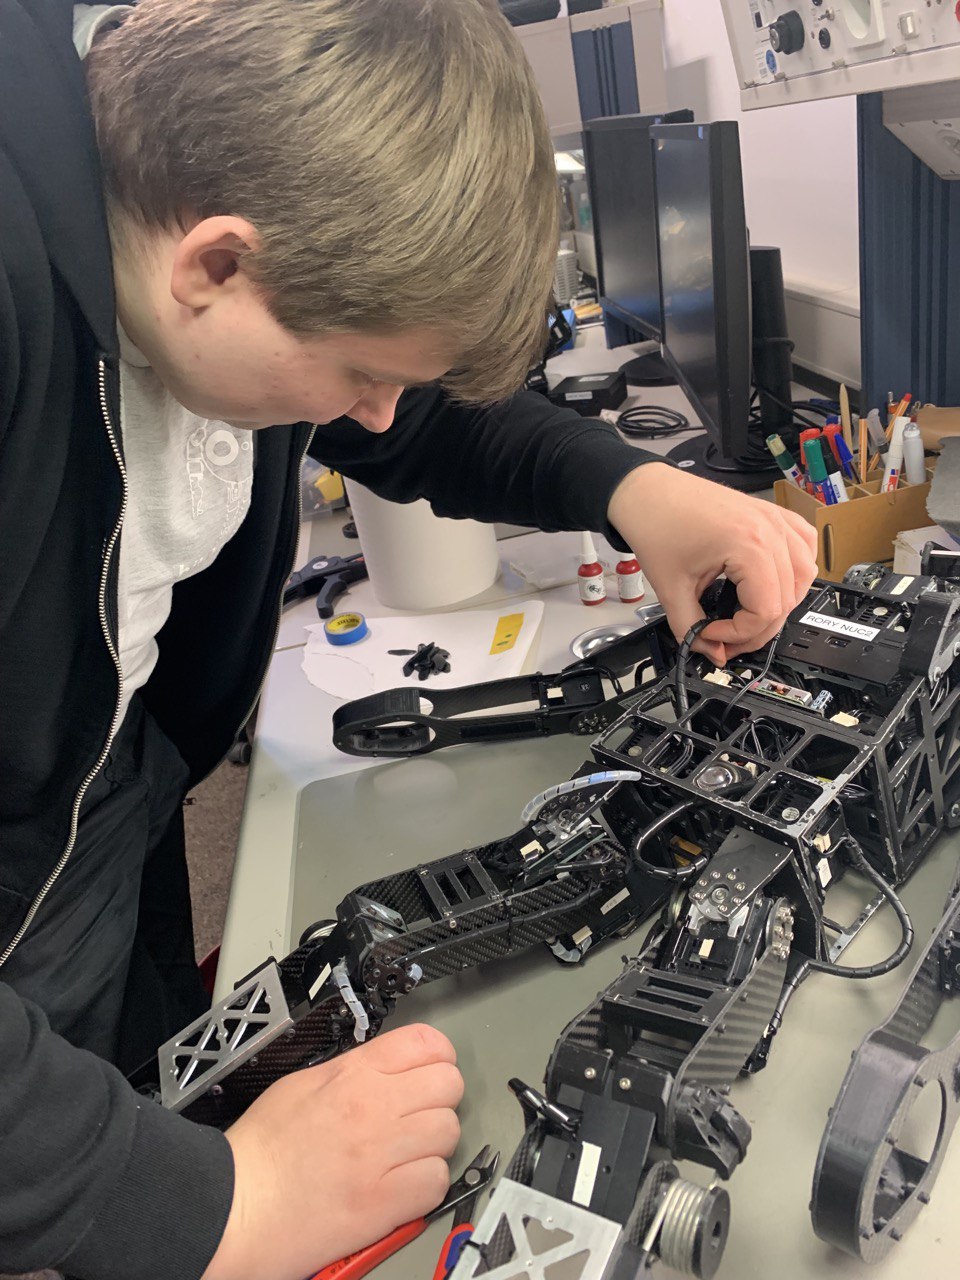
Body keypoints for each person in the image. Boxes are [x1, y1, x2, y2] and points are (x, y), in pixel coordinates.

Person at [0, 0, 818, 1277]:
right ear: (213, 266)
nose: (374, 419)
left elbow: (415, 412)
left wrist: (633, 487)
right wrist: (209, 1205)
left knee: (149, 1075)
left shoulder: (207, 188)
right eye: (357, 375)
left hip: (99, 797)